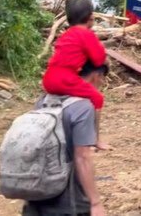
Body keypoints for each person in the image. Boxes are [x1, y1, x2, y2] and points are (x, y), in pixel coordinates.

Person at [23, 60, 109, 216]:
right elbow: (82, 157)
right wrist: (95, 203)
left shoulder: (45, 99)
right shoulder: (83, 106)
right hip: (68, 199)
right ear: (97, 76)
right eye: (102, 78)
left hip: (36, 193)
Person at [42, 0, 110, 150]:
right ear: (90, 17)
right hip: (65, 78)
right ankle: (95, 140)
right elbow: (99, 59)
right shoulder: (86, 34)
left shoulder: (66, 34)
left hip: (49, 78)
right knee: (97, 98)